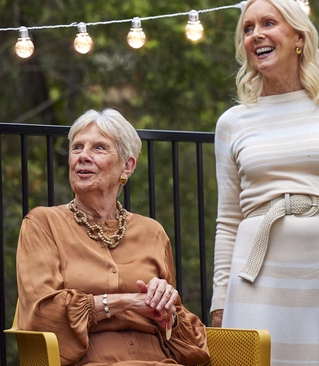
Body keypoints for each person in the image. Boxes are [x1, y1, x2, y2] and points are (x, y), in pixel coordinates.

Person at [211, 0, 319, 365]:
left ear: (298, 38)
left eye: (269, 23)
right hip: (254, 281)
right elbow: (228, 221)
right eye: (248, 28)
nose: (256, 34)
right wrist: (220, 304)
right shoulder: (231, 123)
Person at [16, 109, 210, 365]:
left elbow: (192, 345)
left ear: (127, 166)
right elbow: (42, 315)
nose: (83, 156)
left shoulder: (152, 232)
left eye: (98, 148)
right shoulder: (43, 224)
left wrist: (168, 311)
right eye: (77, 148)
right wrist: (126, 302)